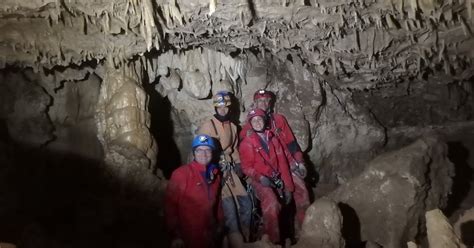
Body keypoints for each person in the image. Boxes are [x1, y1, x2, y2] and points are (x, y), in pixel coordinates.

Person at [241, 89, 310, 237]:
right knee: (272, 202)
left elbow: (291, 143)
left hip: (286, 163)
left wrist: (300, 161)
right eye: (260, 101)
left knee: (301, 191)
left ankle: (305, 230)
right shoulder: (249, 125)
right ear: (255, 103)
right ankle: (271, 237)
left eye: (267, 100)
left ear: (271, 103)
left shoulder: (279, 120)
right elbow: (244, 151)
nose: (264, 104)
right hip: (265, 170)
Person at [197, 91, 252, 248]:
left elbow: (234, 150)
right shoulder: (208, 126)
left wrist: (239, 163)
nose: (223, 110)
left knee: (246, 202)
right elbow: (200, 152)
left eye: (226, 107)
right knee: (228, 207)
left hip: (229, 169)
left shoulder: (233, 127)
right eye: (219, 107)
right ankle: (234, 240)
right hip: (215, 170)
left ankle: (246, 235)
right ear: (215, 108)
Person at [239, 108, 296, 244]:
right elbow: (246, 167)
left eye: (260, 119)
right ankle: (272, 241)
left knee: (286, 204)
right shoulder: (247, 142)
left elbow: (283, 162)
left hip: (275, 178)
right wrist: (260, 177)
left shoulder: (273, 139)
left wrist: (288, 186)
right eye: (254, 120)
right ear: (250, 124)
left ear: (265, 121)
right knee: (272, 202)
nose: (257, 122)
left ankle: (278, 234)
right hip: (259, 180)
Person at [165, 134, 222, 248]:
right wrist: (175, 234)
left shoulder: (215, 175)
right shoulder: (182, 174)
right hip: (188, 235)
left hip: (209, 234)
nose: (204, 154)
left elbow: (218, 202)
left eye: (207, 150)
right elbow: (170, 205)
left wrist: (220, 223)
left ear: (212, 153)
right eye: (199, 150)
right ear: (193, 153)